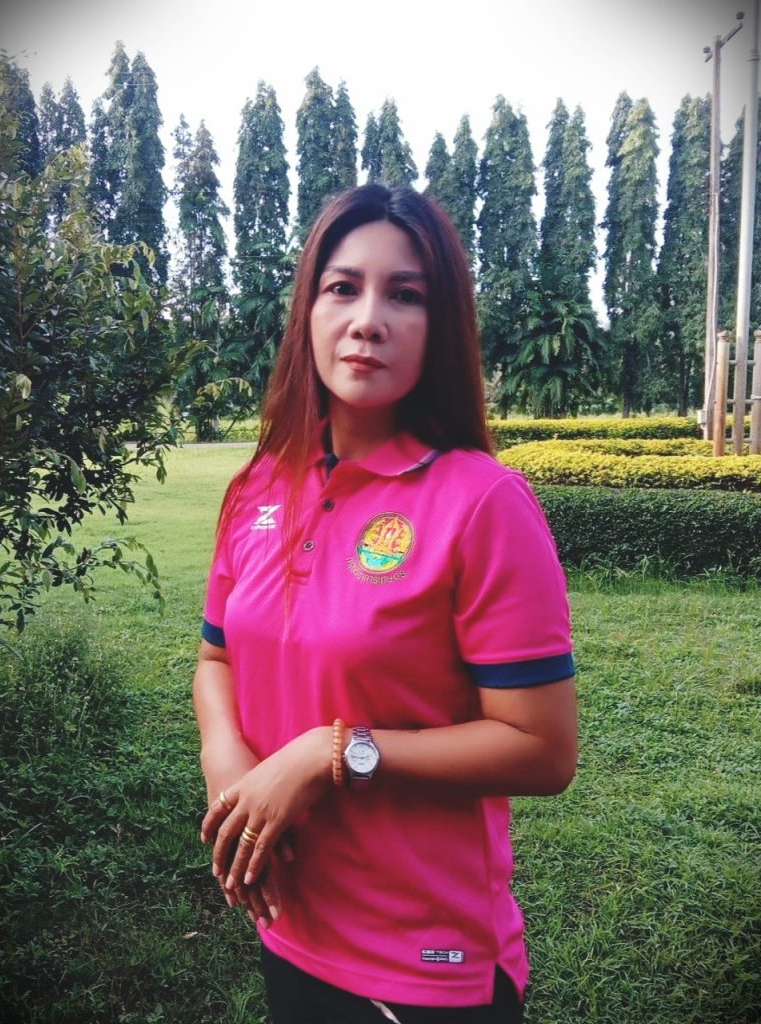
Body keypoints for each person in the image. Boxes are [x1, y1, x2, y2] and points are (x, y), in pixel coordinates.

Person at [194, 184, 577, 1023]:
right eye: (344, 287)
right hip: (290, 924)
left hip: (423, 959)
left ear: (440, 329)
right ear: (308, 311)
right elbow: (216, 657)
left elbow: (542, 751)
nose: (369, 319)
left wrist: (327, 755)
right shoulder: (257, 488)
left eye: (405, 295)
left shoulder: (483, 504)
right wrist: (231, 769)